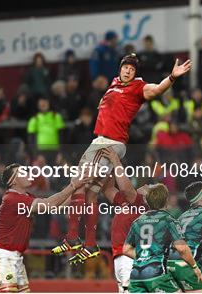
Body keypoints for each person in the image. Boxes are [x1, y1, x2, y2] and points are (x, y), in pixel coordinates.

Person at [52, 54, 191, 264]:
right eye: (126, 67)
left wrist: (171, 77)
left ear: (136, 73)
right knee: (90, 194)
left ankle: (72, 237)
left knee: (78, 184)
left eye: (132, 69)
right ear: (120, 69)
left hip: (107, 142)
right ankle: (90, 244)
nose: (128, 71)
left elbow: (155, 90)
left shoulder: (137, 86)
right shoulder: (115, 83)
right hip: (104, 142)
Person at [0, 163, 92, 292]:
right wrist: (73, 185)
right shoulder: (12, 199)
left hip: (14, 257)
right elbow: (49, 204)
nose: (28, 173)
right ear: (12, 181)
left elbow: (56, 206)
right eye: (22, 172)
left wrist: (80, 189)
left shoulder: (25, 197)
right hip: (3, 257)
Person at [123, 184, 202, 292]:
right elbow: (182, 248)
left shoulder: (137, 221)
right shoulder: (168, 220)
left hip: (136, 277)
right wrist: (194, 267)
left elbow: (126, 249)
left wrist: (144, 258)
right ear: (166, 200)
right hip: (156, 275)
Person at [99, 148, 151, 292]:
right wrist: (109, 166)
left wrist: (116, 160)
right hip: (121, 254)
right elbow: (108, 188)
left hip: (130, 256)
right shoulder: (127, 201)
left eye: (150, 187)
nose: (146, 185)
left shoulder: (142, 203)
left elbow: (126, 189)